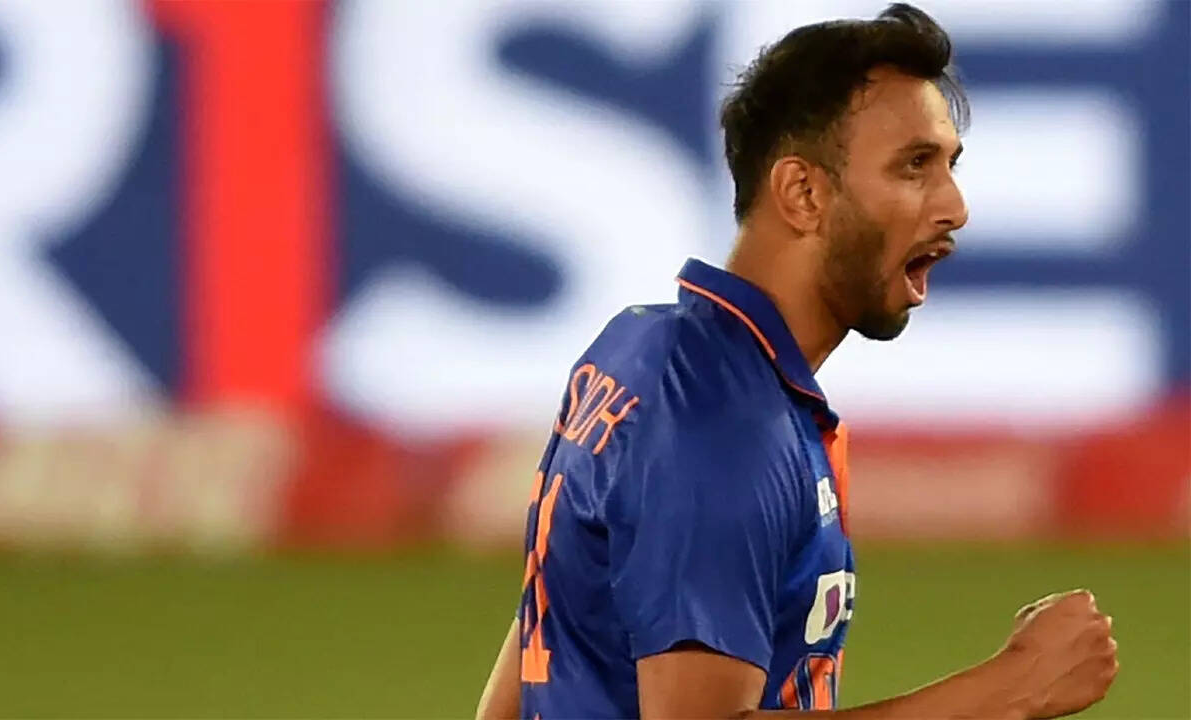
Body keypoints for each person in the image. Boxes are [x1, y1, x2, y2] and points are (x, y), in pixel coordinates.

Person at [475, 3, 1118, 718]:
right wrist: (1008, 690)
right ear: (803, 193)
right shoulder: (721, 423)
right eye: (915, 166)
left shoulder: (642, 350)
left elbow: (534, 664)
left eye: (949, 165)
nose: (954, 206)